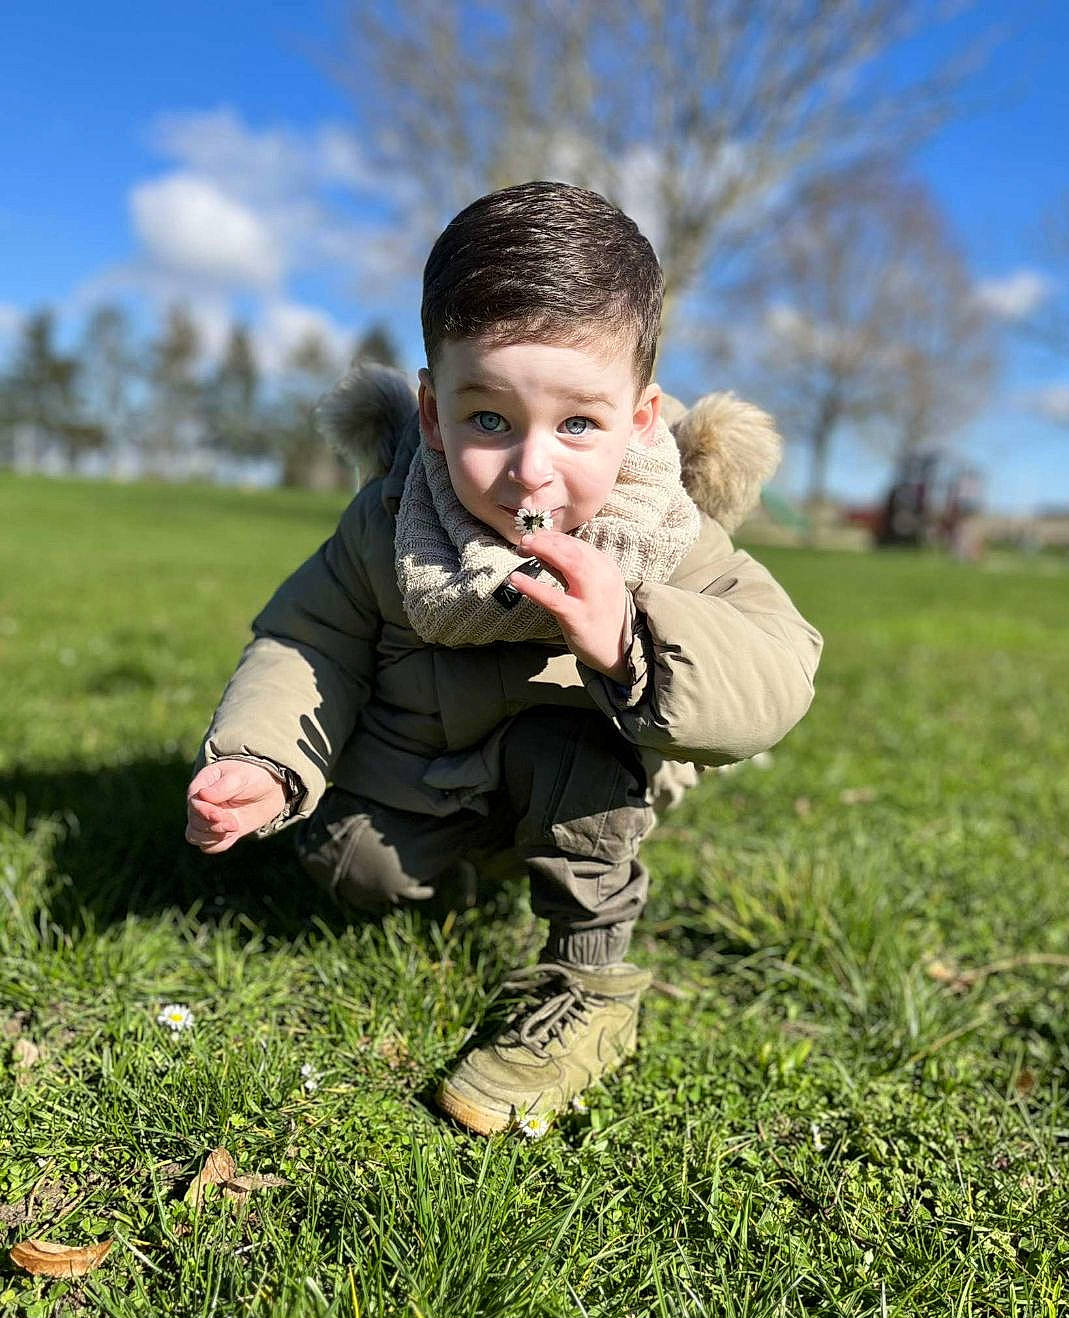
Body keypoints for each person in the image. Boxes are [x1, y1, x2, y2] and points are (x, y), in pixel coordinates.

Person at [185, 180, 823, 1136]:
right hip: (427, 762)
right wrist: (264, 761)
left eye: (578, 424)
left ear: (641, 419)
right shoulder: (395, 520)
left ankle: (592, 986)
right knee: (357, 871)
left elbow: (781, 662)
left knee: (571, 762)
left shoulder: (660, 532)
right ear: (433, 413)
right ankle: (455, 855)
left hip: (573, 764)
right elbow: (310, 639)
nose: (532, 469)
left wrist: (632, 637)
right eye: (490, 420)